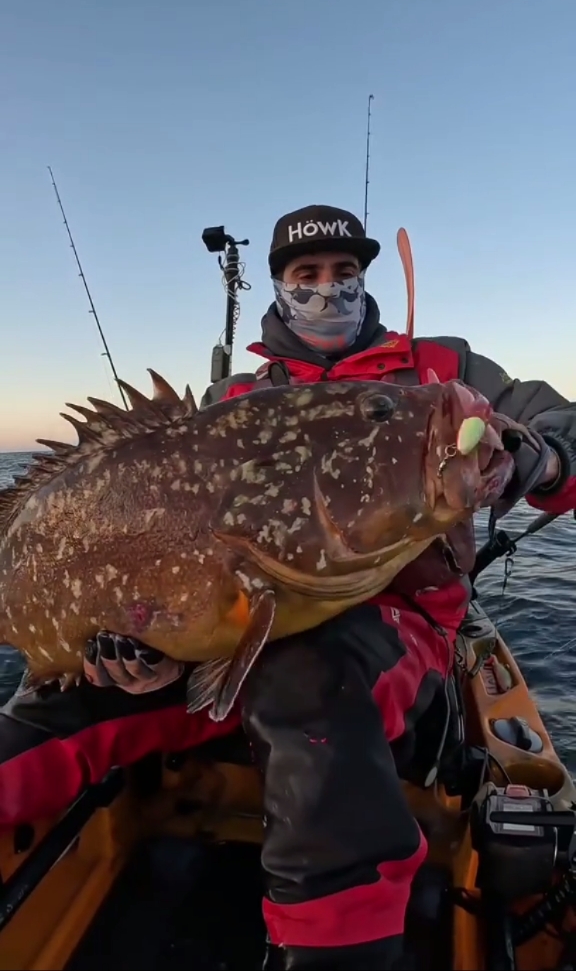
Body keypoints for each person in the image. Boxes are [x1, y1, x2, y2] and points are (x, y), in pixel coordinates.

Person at [1, 204, 575, 971]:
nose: (327, 290)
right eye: (307, 276)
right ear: (279, 285)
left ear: (364, 277)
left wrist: (541, 461)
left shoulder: (447, 372)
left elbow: (562, 436)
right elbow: (185, 565)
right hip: (239, 631)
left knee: (306, 677)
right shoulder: (238, 402)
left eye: (344, 273)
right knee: (45, 715)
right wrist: (144, 643)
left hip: (393, 631)